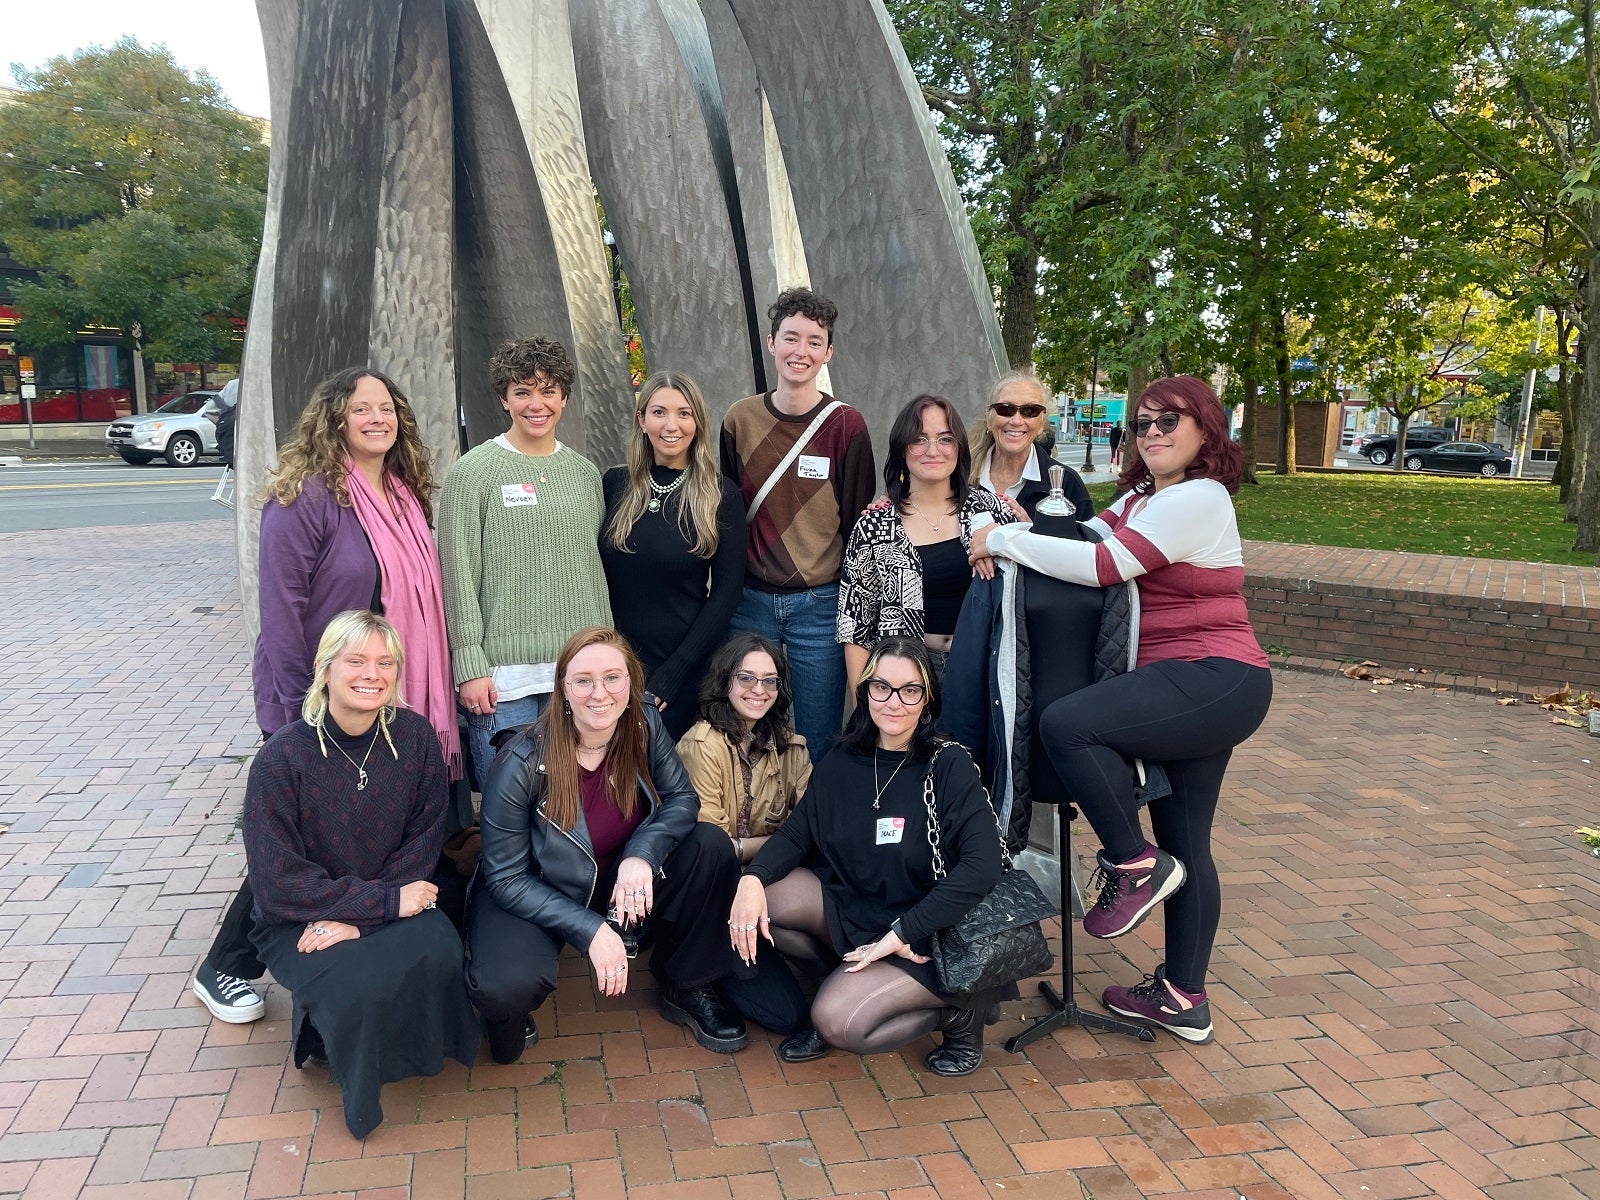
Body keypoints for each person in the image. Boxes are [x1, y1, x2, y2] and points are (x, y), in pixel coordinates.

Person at [970, 375, 1273, 1045]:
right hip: (1182, 685)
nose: (1154, 433)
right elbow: (1079, 537)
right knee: (1189, 846)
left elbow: (1105, 566)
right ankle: (1182, 998)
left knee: (1068, 724)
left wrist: (1001, 542)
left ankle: (1132, 863)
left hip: (1216, 676)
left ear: (1205, 431)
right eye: (1143, 424)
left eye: (1171, 420)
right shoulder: (1142, 496)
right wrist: (1010, 523)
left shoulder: (1200, 497)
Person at [194, 367, 459, 1027]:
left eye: (387, 408)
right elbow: (281, 619)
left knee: (341, 834)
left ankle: (345, 931)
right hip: (314, 704)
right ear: (334, 418)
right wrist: (295, 724)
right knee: (294, 841)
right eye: (362, 409)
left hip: (380, 696)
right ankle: (224, 965)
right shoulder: (305, 497)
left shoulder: (401, 493)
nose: (377, 418)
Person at [242, 611, 479, 1140]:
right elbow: (279, 883)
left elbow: (422, 845)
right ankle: (343, 1065)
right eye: (356, 661)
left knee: (439, 947)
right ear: (326, 669)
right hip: (300, 916)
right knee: (353, 980)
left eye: (385, 662)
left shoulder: (416, 738)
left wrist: (367, 916)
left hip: (394, 896)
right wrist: (378, 907)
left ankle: (416, 1049)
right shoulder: (281, 759)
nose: (371, 674)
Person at [467, 627, 752, 1064]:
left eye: (613, 678)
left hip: (616, 876)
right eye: (583, 681)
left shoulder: (642, 722)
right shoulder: (521, 762)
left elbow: (682, 799)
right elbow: (505, 878)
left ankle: (687, 981)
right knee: (505, 987)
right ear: (562, 688)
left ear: (632, 682)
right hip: (538, 889)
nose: (599, 694)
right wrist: (591, 929)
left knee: (708, 845)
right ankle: (507, 1014)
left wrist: (642, 852)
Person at [728, 638, 1002, 1074]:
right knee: (765, 902)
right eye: (881, 687)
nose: (894, 702)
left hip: (926, 931)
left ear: (928, 697)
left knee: (839, 1023)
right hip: (856, 906)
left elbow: (982, 865)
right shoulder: (844, 758)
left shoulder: (949, 765)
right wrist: (752, 878)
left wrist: (903, 932)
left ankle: (960, 1011)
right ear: (865, 691)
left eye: (909, 690)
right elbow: (798, 834)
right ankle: (841, 978)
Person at [438, 337, 612, 786]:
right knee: (508, 802)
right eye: (522, 392)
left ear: (564, 398)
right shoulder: (473, 472)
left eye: (547, 390)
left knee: (573, 798)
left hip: (578, 672)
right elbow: (457, 573)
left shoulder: (584, 474)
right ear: (504, 399)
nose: (536, 404)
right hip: (502, 678)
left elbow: (593, 573)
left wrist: (607, 655)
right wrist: (469, 664)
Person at [722, 288, 875, 762]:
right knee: (744, 723)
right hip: (749, 603)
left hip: (820, 604)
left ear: (828, 352)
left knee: (819, 731)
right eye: (791, 338)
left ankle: (817, 828)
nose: (800, 351)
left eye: (814, 341)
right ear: (772, 343)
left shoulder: (846, 426)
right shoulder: (739, 420)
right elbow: (726, 512)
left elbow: (857, 522)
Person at [676, 634, 812, 1034]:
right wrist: (781, 844)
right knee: (710, 845)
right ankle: (687, 977)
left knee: (788, 1015)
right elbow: (711, 842)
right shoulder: (702, 745)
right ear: (725, 682)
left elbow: (811, 827)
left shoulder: (793, 749)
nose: (759, 689)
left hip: (761, 886)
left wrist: (775, 850)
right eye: (746, 678)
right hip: (708, 891)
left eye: (770, 680)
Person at [601, 371, 747, 740]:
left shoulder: (718, 494)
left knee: (670, 785)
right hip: (614, 668)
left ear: (697, 422)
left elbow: (727, 593)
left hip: (681, 674)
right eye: (659, 412)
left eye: (684, 413)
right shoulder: (614, 484)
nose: (672, 425)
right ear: (642, 420)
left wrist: (673, 674)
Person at [836, 395, 1010, 685]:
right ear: (902, 449)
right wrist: (862, 711)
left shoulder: (991, 511)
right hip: (904, 677)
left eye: (945, 439)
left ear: (959, 447)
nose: (933, 450)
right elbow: (855, 627)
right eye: (919, 439)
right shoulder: (874, 526)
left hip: (981, 667)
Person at [970, 371, 1092, 520]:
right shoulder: (958, 476)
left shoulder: (1068, 484)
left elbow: (1087, 542)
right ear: (989, 419)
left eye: (1030, 411)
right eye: (1006, 409)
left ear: (1041, 423)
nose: (1016, 421)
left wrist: (1031, 535)